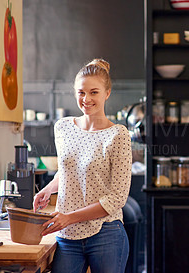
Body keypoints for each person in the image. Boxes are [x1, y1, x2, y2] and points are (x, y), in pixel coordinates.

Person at [33, 58, 132, 273]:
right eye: (81, 92)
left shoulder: (118, 135)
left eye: (94, 92)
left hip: (106, 233)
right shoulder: (63, 127)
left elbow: (117, 198)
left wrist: (69, 217)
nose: (86, 99)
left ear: (107, 93)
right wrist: (48, 189)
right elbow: (68, 170)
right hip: (67, 236)